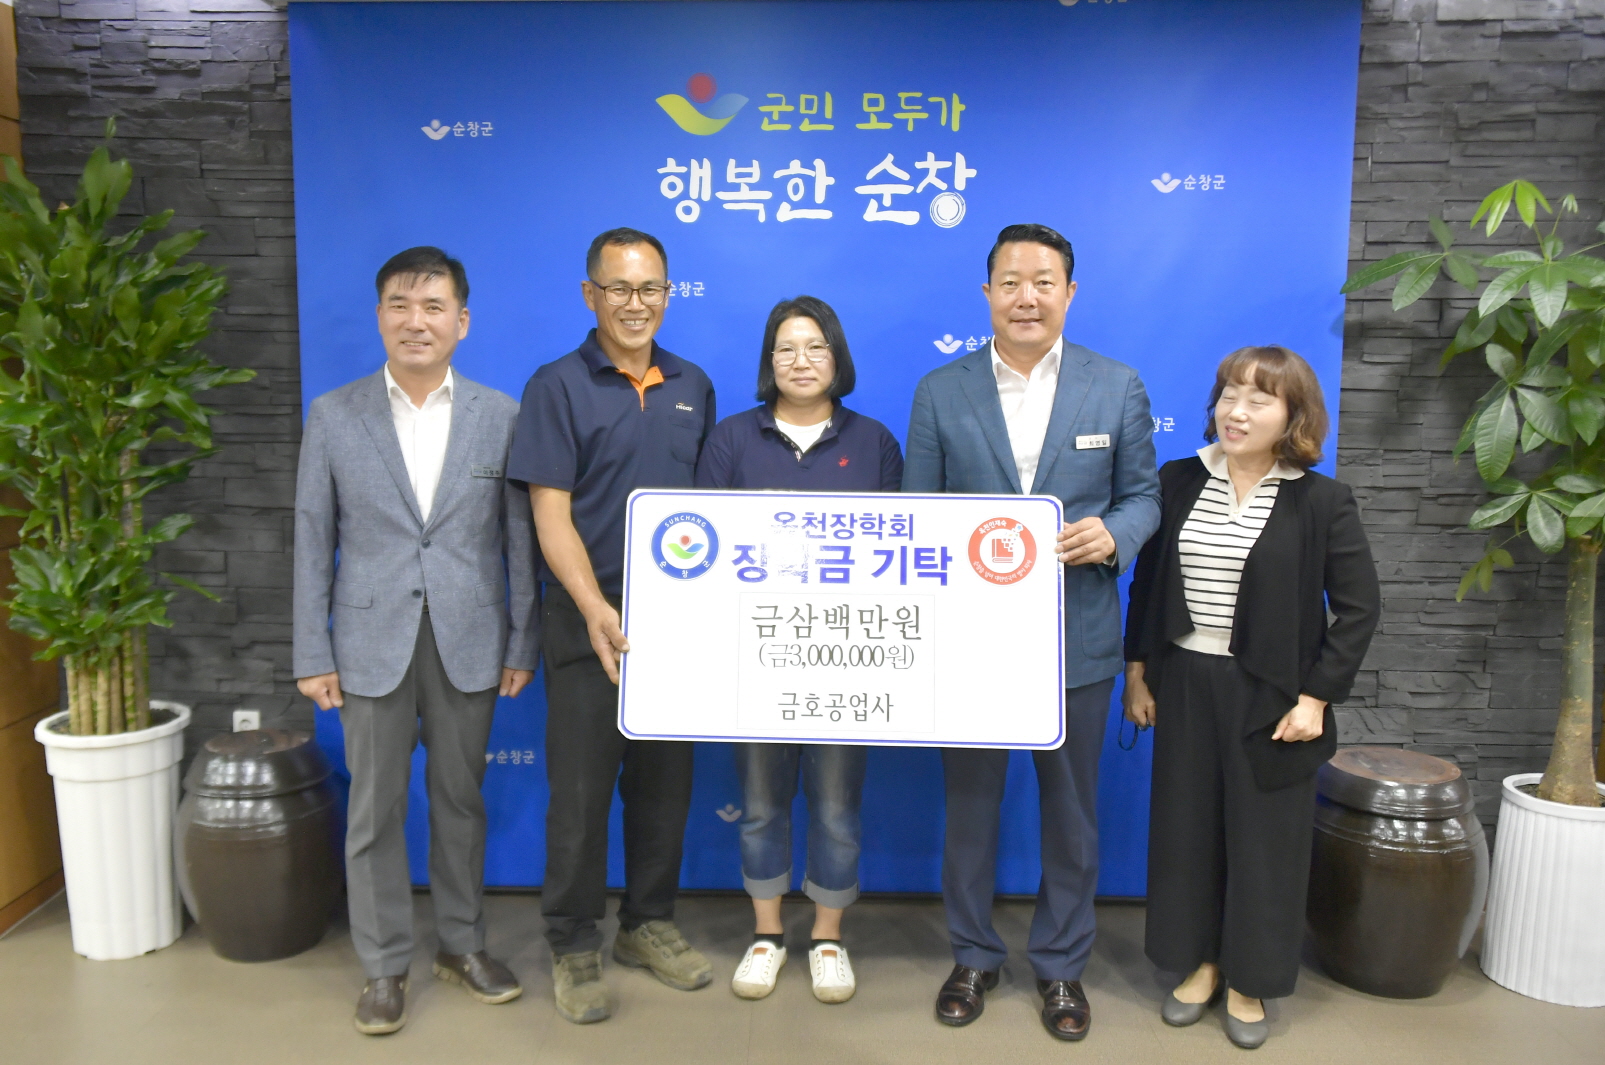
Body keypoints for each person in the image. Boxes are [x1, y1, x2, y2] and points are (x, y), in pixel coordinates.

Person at [903, 223, 1161, 1041]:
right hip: (970, 641)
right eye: (1009, 281)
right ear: (987, 293)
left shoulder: (1113, 385)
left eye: (1042, 281)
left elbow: (1144, 496)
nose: (1026, 296)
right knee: (969, 807)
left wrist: (1113, 533)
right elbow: (916, 513)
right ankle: (972, 954)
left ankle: (1059, 963)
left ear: (1069, 293)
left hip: (1075, 633)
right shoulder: (940, 390)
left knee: (1071, 811)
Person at [293, 247, 539, 1035]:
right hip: (369, 640)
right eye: (400, 305)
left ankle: (462, 944)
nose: (416, 321)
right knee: (373, 809)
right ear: (379, 317)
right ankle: (383, 963)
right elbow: (311, 536)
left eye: (433, 306)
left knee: (461, 800)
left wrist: (522, 638)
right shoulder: (336, 414)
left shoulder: (500, 415)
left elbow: (519, 540)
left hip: (471, 635)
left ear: (461, 321)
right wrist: (311, 651)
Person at [1122, 346, 1380, 1049]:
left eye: (1258, 400)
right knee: (1188, 831)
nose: (1236, 412)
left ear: (1293, 415)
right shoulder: (1179, 479)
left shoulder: (1320, 500)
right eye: (1228, 396)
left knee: (1265, 842)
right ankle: (1200, 964)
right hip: (1184, 681)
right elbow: (1148, 584)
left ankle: (1249, 979)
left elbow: (1359, 608)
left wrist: (1315, 698)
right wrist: (1137, 672)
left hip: (1273, 697)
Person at [507, 228, 717, 1024]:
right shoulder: (556, 385)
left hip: (676, 627)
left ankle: (646, 923)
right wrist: (595, 605)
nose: (636, 304)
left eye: (650, 288)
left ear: (668, 294)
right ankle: (572, 943)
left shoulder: (692, 383)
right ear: (590, 294)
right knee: (581, 796)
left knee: (664, 790)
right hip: (584, 617)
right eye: (619, 288)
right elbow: (549, 511)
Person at [695, 295, 904, 1005]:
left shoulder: (873, 442)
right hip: (755, 658)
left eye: (815, 346)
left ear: (837, 357)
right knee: (760, 802)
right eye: (786, 348)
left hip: (846, 657)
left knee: (837, 806)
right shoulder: (731, 438)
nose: (801, 360)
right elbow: (703, 548)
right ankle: (766, 935)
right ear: (768, 360)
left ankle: (827, 938)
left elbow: (899, 555)